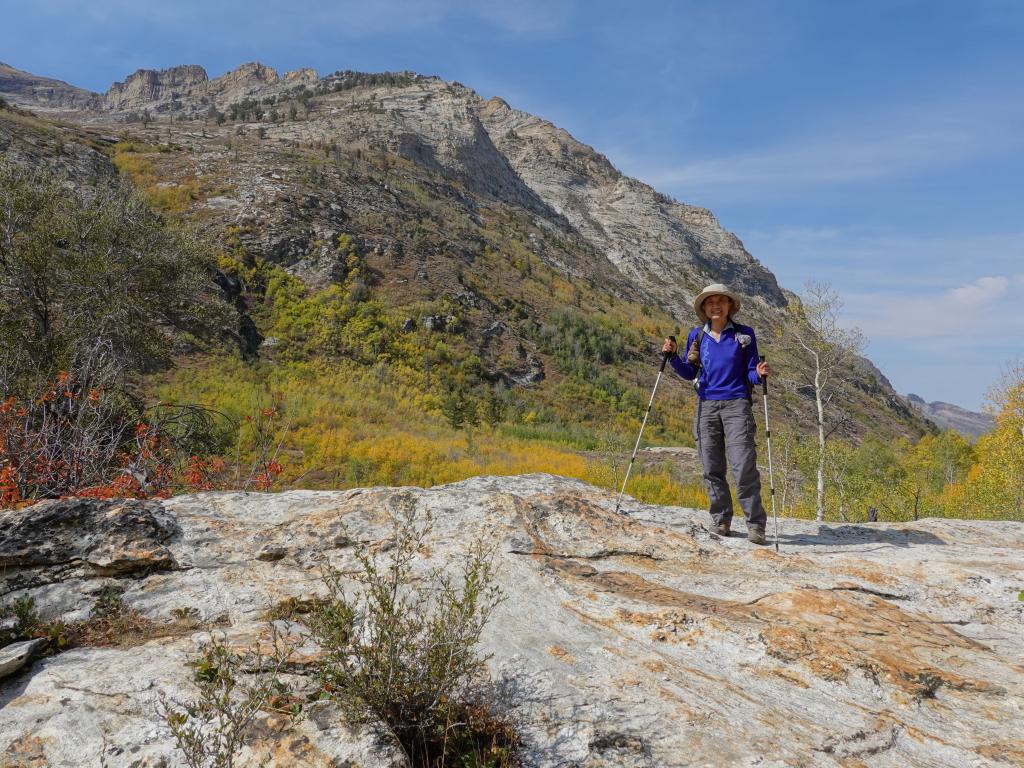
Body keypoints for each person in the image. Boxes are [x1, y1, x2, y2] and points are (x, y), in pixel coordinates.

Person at [662, 284, 772, 545]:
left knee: (743, 465)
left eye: (722, 301)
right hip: (706, 405)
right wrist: (672, 357)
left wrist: (759, 374)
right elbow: (690, 372)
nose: (716, 306)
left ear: (730, 306)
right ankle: (721, 519)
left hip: (737, 405)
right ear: (704, 308)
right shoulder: (696, 337)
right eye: (710, 302)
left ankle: (755, 525)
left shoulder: (744, 336)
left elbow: (750, 372)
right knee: (712, 467)